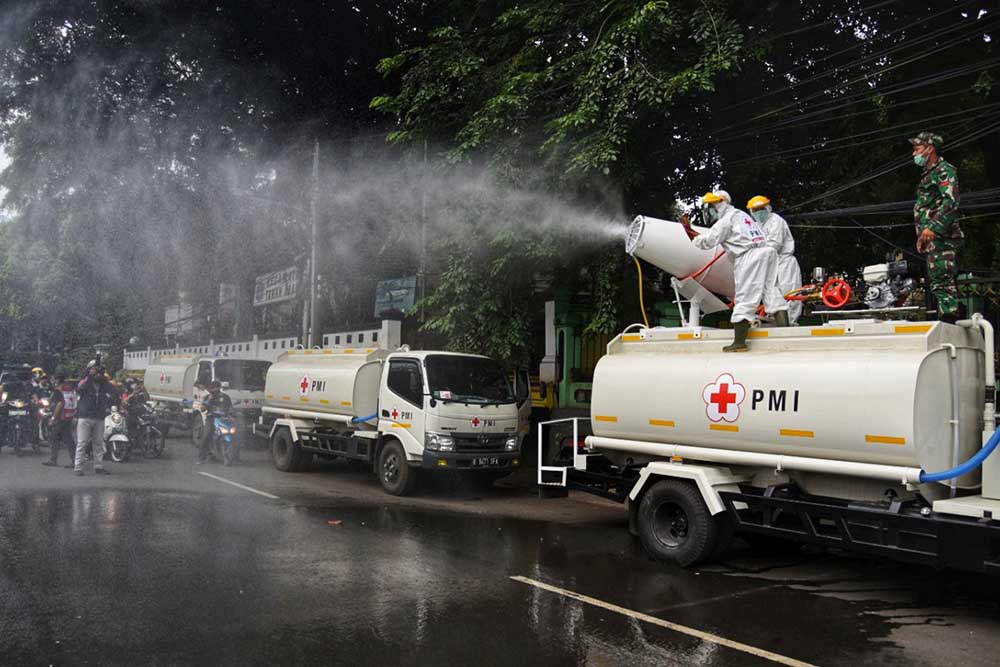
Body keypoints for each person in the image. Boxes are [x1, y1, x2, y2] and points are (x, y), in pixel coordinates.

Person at [684, 190, 787, 352]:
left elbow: (707, 242)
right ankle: (786, 332)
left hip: (749, 257)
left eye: (710, 207)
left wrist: (689, 231)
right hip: (767, 252)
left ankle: (739, 342)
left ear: (718, 204)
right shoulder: (741, 215)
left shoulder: (726, 220)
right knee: (771, 291)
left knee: (745, 297)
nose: (709, 211)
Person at [910, 131, 963, 323]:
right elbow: (929, 206)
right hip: (933, 237)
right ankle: (947, 318)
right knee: (938, 281)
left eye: (917, 149)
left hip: (943, 237)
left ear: (929, 149)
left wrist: (933, 228)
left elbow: (950, 202)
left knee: (942, 280)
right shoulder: (929, 173)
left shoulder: (944, 170)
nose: (914, 153)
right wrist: (923, 236)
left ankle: (949, 322)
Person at [747, 195, 801, 325]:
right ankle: (776, 320)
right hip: (769, 264)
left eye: (761, 209)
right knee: (772, 294)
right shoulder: (755, 226)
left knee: (789, 293)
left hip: (784, 262)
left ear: (767, 208)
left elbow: (775, 244)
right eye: (755, 210)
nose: (758, 212)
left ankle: (791, 322)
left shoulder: (776, 221)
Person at [73, 360, 117, 476]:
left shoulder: (103, 384)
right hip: (85, 416)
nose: (97, 373)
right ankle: (78, 467)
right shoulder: (85, 381)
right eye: (94, 369)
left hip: (99, 417)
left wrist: (103, 378)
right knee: (82, 442)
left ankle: (98, 466)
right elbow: (80, 389)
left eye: (99, 370)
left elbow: (113, 391)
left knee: (98, 443)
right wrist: (90, 376)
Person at [42, 372, 77, 468]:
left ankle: (53, 460)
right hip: (69, 415)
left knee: (54, 437)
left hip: (60, 417)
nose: (53, 381)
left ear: (57, 380)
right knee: (68, 438)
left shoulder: (58, 391)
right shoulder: (70, 389)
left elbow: (60, 404)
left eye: (54, 379)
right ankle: (74, 460)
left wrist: (53, 418)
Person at [197, 380, 232, 464]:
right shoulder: (208, 397)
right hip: (211, 418)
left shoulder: (225, 397)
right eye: (212, 388)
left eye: (216, 388)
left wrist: (232, 415)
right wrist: (208, 400)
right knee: (206, 435)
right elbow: (202, 409)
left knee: (235, 434)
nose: (214, 390)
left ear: (219, 388)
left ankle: (235, 457)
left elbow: (230, 408)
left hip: (223, 419)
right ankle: (201, 458)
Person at [1, 373, 35, 456]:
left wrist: (34, 402)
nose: (24, 382)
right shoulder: (10, 385)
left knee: (31, 422)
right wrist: (2, 401)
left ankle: (33, 441)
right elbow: (2, 389)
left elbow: (33, 395)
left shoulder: (28, 387)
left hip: (23, 407)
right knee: (2, 422)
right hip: (10, 407)